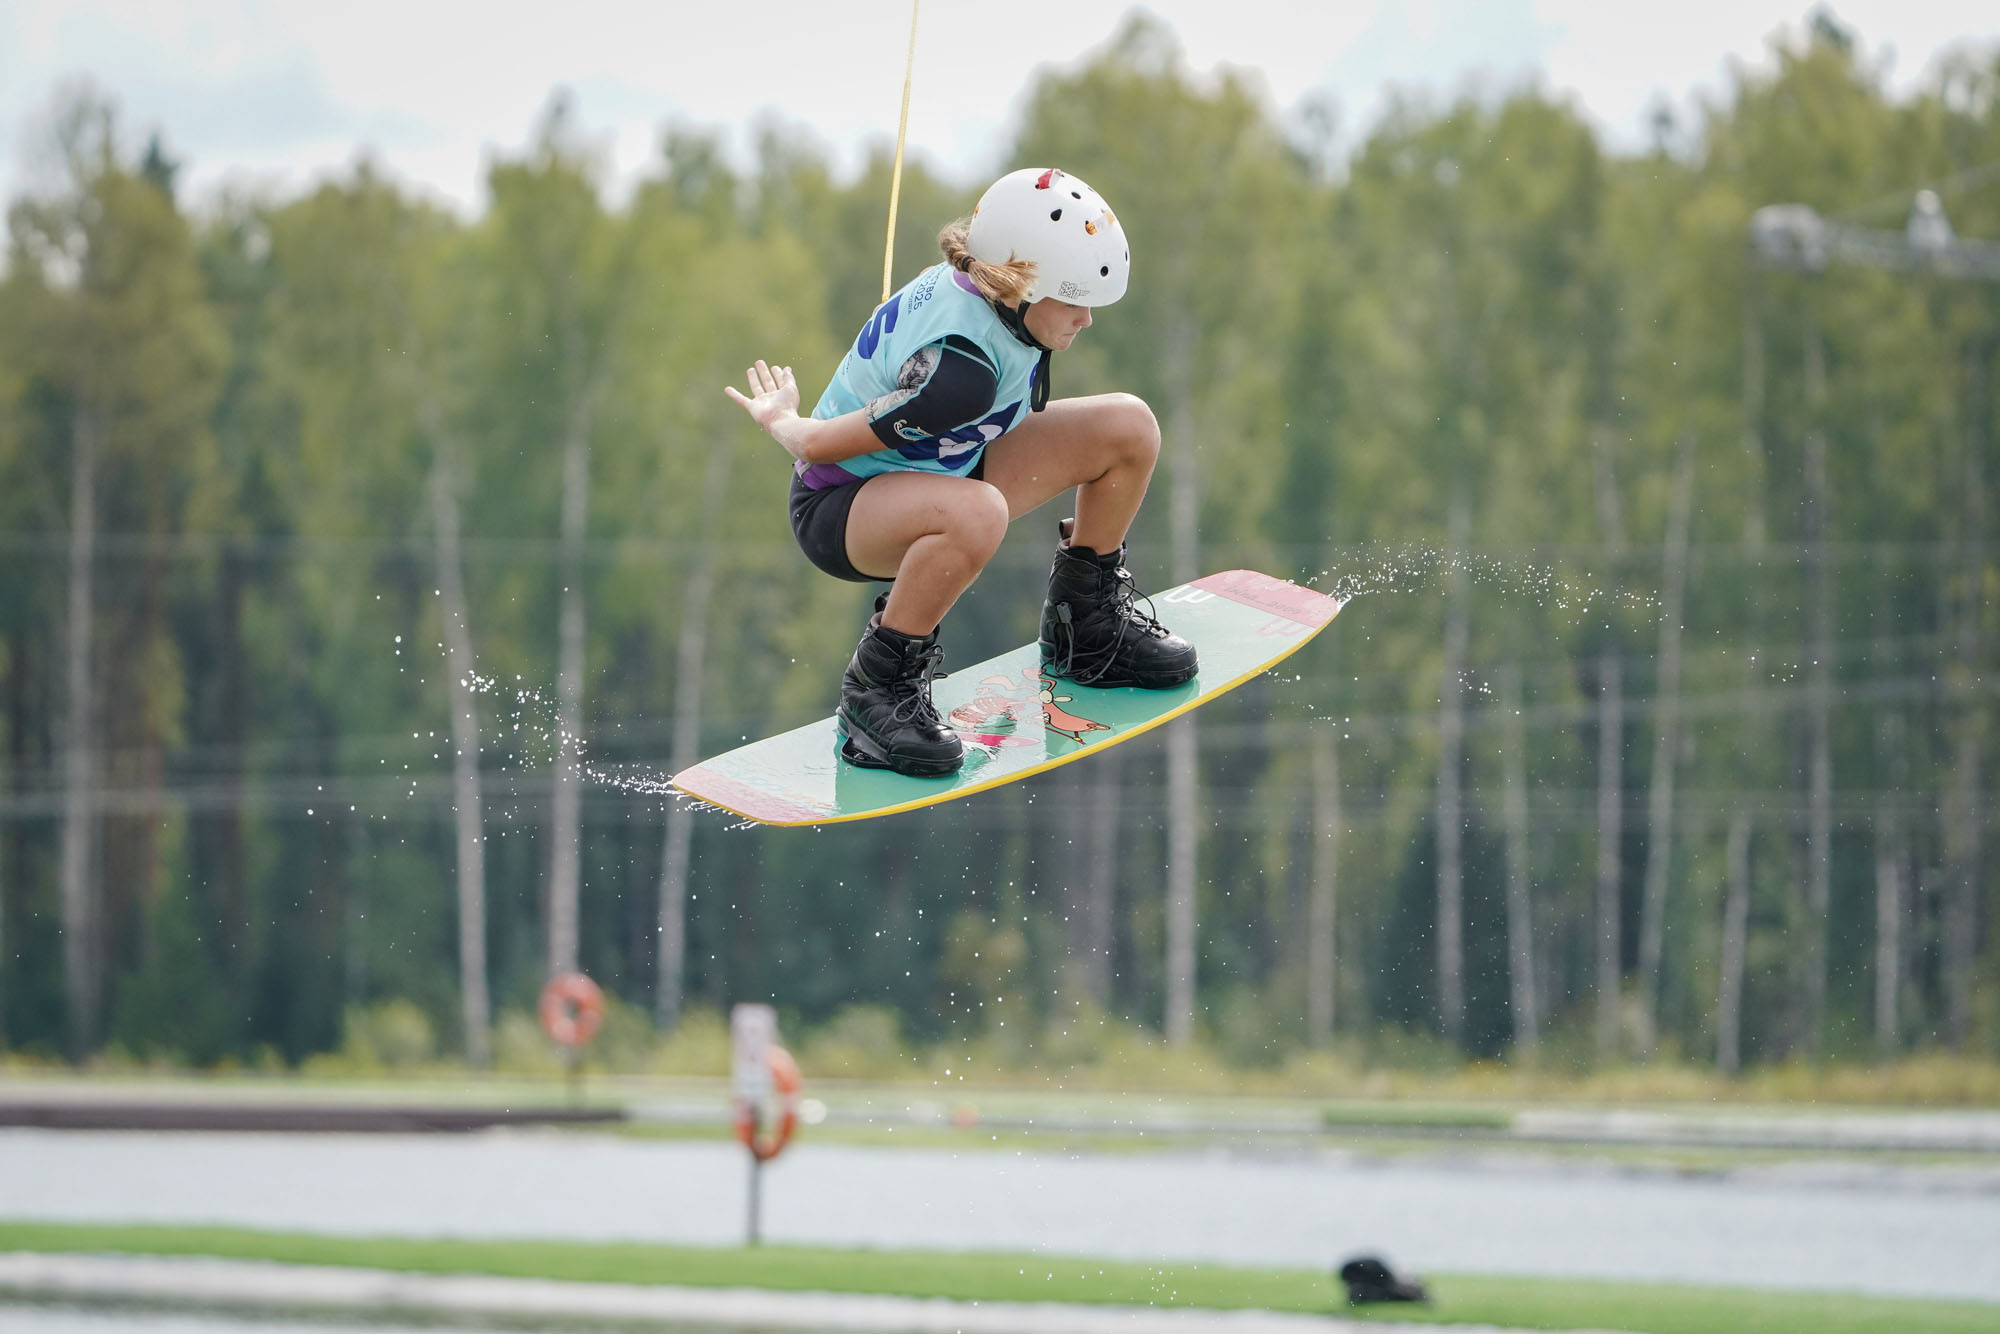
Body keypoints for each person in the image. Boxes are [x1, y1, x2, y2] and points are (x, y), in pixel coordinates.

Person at [725, 166, 1196, 778]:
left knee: (1129, 428)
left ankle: (1088, 627)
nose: (1087, 319)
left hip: (948, 463)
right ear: (1022, 285)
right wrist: (779, 416)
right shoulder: (958, 374)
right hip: (843, 507)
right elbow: (816, 447)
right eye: (1076, 301)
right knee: (980, 513)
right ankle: (877, 693)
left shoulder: (998, 296)